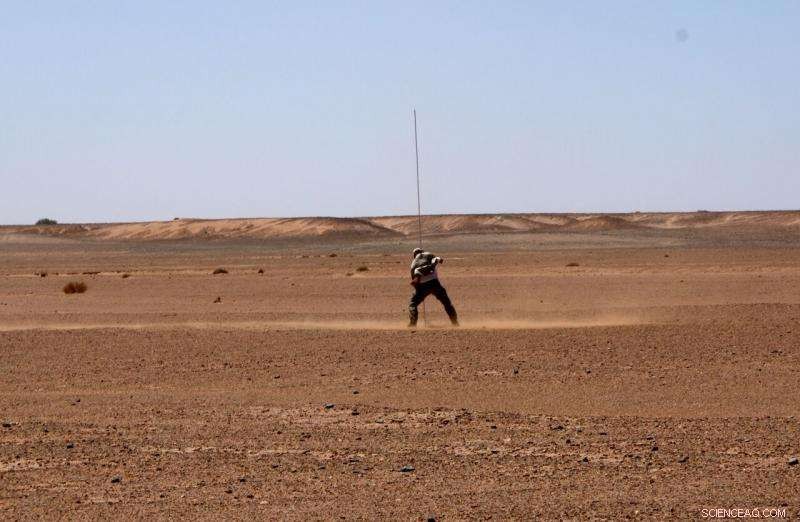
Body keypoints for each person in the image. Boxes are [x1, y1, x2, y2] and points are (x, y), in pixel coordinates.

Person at [408, 247, 459, 327]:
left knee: (412, 304)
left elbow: (415, 282)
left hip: (422, 286)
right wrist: (438, 260)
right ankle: (455, 323)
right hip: (435, 283)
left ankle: (413, 324)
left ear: (414, 255)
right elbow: (436, 259)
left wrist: (419, 292)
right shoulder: (428, 254)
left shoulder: (413, 263)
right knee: (447, 303)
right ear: (422, 251)